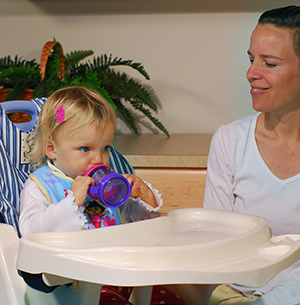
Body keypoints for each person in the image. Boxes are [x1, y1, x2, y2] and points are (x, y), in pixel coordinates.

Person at [19, 86, 186, 305]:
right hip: (77, 285)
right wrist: (72, 203)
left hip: (125, 273)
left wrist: (143, 196)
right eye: (85, 149)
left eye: (106, 148)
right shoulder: (40, 186)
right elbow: (32, 232)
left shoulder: (110, 182)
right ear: (51, 148)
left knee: (170, 298)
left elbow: (137, 224)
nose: (99, 159)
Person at [204, 5, 300, 305]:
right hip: (235, 293)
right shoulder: (230, 140)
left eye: (269, 63)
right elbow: (213, 242)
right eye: (251, 59)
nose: (251, 73)